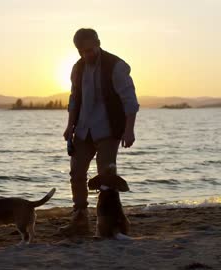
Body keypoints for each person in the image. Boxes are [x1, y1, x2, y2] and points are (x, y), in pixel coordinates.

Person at [59, 28, 139, 235]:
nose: (88, 54)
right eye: (83, 51)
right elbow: (74, 99)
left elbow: (129, 100)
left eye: (91, 49)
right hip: (83, 130)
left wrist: (129, 130)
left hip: (108, 129)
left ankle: (110, 222)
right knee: (76, 173)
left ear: (99, 42)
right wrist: (70, 126)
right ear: (78, 51)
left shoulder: (117, 66)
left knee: (107, 177)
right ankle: (79, 219)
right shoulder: (77, 68)